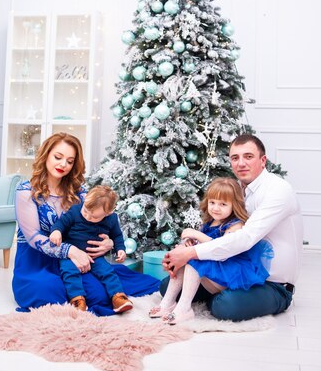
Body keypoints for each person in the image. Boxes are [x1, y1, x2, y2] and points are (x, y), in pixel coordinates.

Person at [12, 132, 159, 316]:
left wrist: (109, 243)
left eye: (70, 161)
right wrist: (71, 251)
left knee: (98, 293)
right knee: (46, 292)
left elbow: (104, 221)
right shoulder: (26, 191)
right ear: (46, 155)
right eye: (58, 157)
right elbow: (33, 238)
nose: (63, 164)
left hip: (78, 260)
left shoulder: (80, 194)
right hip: (38, 261)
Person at [160, 134, 303, 321]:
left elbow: (245, 238)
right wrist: (182, 251)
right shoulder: (236, 191)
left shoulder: (278, 190)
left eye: (248, 156)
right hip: (232, 269)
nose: (241, 163)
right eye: (235, 158)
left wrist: (190, 254)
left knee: (225, 306)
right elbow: (214, 229)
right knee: (166, 286)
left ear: (263, 160)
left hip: (273, 284)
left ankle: (219, 297)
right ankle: (211, 293)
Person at [150, 177, 273, 324]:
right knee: (185, 257)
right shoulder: (211, 221)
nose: (215, 208)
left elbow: (223, 249)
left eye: (222, 204)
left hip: (229, 273)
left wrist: (197, 235)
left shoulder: (236, 225)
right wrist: (190, 242)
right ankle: (167, 303)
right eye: (212, 202)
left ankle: (184, 308)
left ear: (234, 205)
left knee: (193, 260)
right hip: (213, 272)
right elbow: (202, 246)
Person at [50, 184, 133, 314]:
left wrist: (120, 249)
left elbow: (116, 235)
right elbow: (61, 224)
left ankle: (118, 297)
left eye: (94, 217)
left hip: (95, 256)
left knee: (108, 272)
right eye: (86, 211)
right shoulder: (75, 211)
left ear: (108, 212)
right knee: (69, 272)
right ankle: (77, 299)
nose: (87, 217)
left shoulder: (111, 218)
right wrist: (56, 232)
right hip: (70, 256)